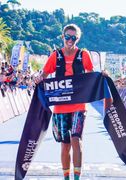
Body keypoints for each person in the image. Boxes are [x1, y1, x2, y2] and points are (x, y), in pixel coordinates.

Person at [36, 24, 94, 180]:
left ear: (78, 38)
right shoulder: (55, 56)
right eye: (67, 37)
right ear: (63, 37)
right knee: (65, 144)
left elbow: (92, 75)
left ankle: (76, 178)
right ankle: (66, 177)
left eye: (73, 37)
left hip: (79, 105)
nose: (70, 40)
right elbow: (45, 74)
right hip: (60, 107)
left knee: (76, 139)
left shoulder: (84, 55)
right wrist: (38, 79)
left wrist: (102, 76)